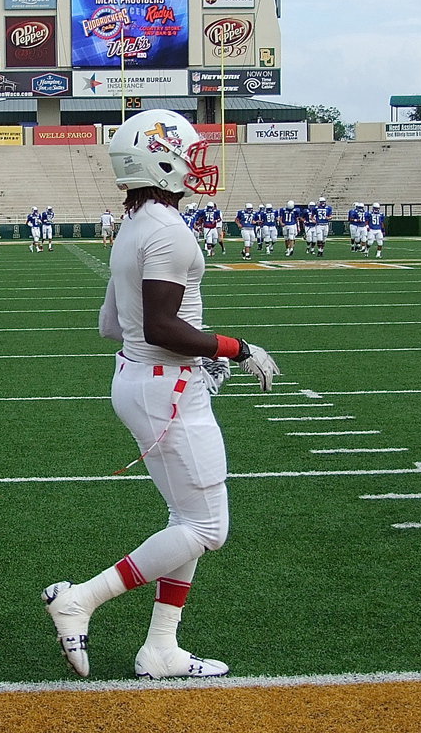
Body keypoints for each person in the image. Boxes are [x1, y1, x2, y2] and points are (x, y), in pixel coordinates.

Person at [42, 108, 280, 680]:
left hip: (142, 379)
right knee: (207, 529)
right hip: (163, 385)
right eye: (189, 151)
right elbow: (160, 328)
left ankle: (161, 649)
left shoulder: (136, 225)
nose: (199, 162)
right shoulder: (168, 230)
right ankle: (82, 600)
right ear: (162, 158)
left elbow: (110, 325)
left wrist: (195, 356)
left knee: (186, 521)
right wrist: (234, 347)